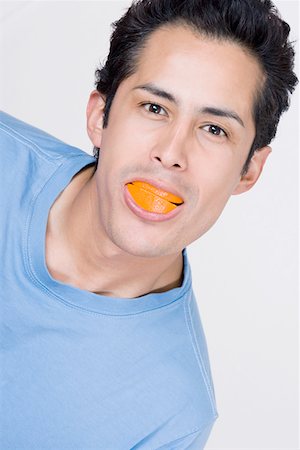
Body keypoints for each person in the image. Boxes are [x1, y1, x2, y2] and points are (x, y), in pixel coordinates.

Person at [0, 0, 297, 448]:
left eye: (214, 129)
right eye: (155, 108)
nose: (171, 153)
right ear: (100, 117)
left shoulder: (171, 419)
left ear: (249, 170)